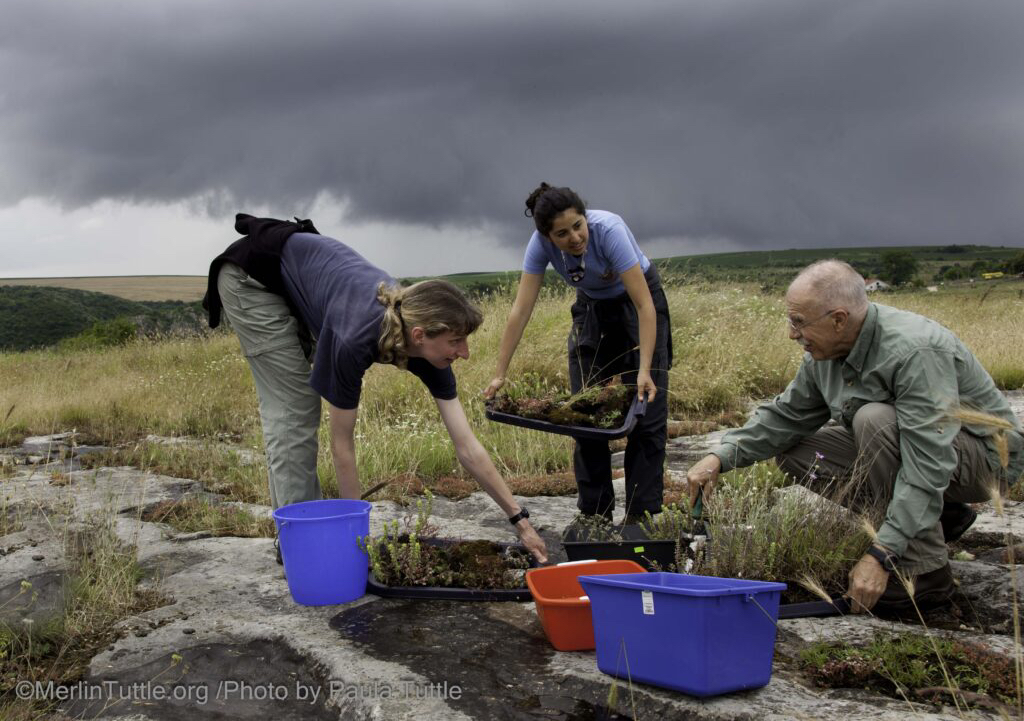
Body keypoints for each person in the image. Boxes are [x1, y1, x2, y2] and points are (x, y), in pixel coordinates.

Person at [204, 213, 548, 564]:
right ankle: (297, 543)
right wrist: (360, 545)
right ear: (419, 336)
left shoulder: (428, 348)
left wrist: (519, 521)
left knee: (300, 404)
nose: (465, 353)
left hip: (295, 278)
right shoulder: (354, 337)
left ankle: (313, 531)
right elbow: (342, 446)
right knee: (294, 408)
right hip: (252, 279)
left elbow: (467, 445)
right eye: (456, 341)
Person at [687, 259, 1023, 614]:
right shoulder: (824, 352)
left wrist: (880, 556)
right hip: (924, 456)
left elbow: (929, 464)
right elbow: (787, 416)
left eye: (799, 322)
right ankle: (940, 517)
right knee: (796, 451)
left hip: (983, 461)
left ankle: (927, 575)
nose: (791, 333)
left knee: (873, 419)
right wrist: (719, 458)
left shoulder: (914, 350)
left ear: (839, 319)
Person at [483, 184, 673, 523]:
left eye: (578, 225)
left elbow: (645, 305)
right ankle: (594, 514)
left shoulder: (609, 230)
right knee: (583, 410)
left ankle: (640, 517)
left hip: (637, 304)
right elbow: (520, 310)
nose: (574, 238)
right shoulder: (539, 245)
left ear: (586, 218)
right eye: (562, 233)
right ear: (547, 235)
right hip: (592, 309)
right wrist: (500, 372)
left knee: (646, 410)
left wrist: (645, 369)